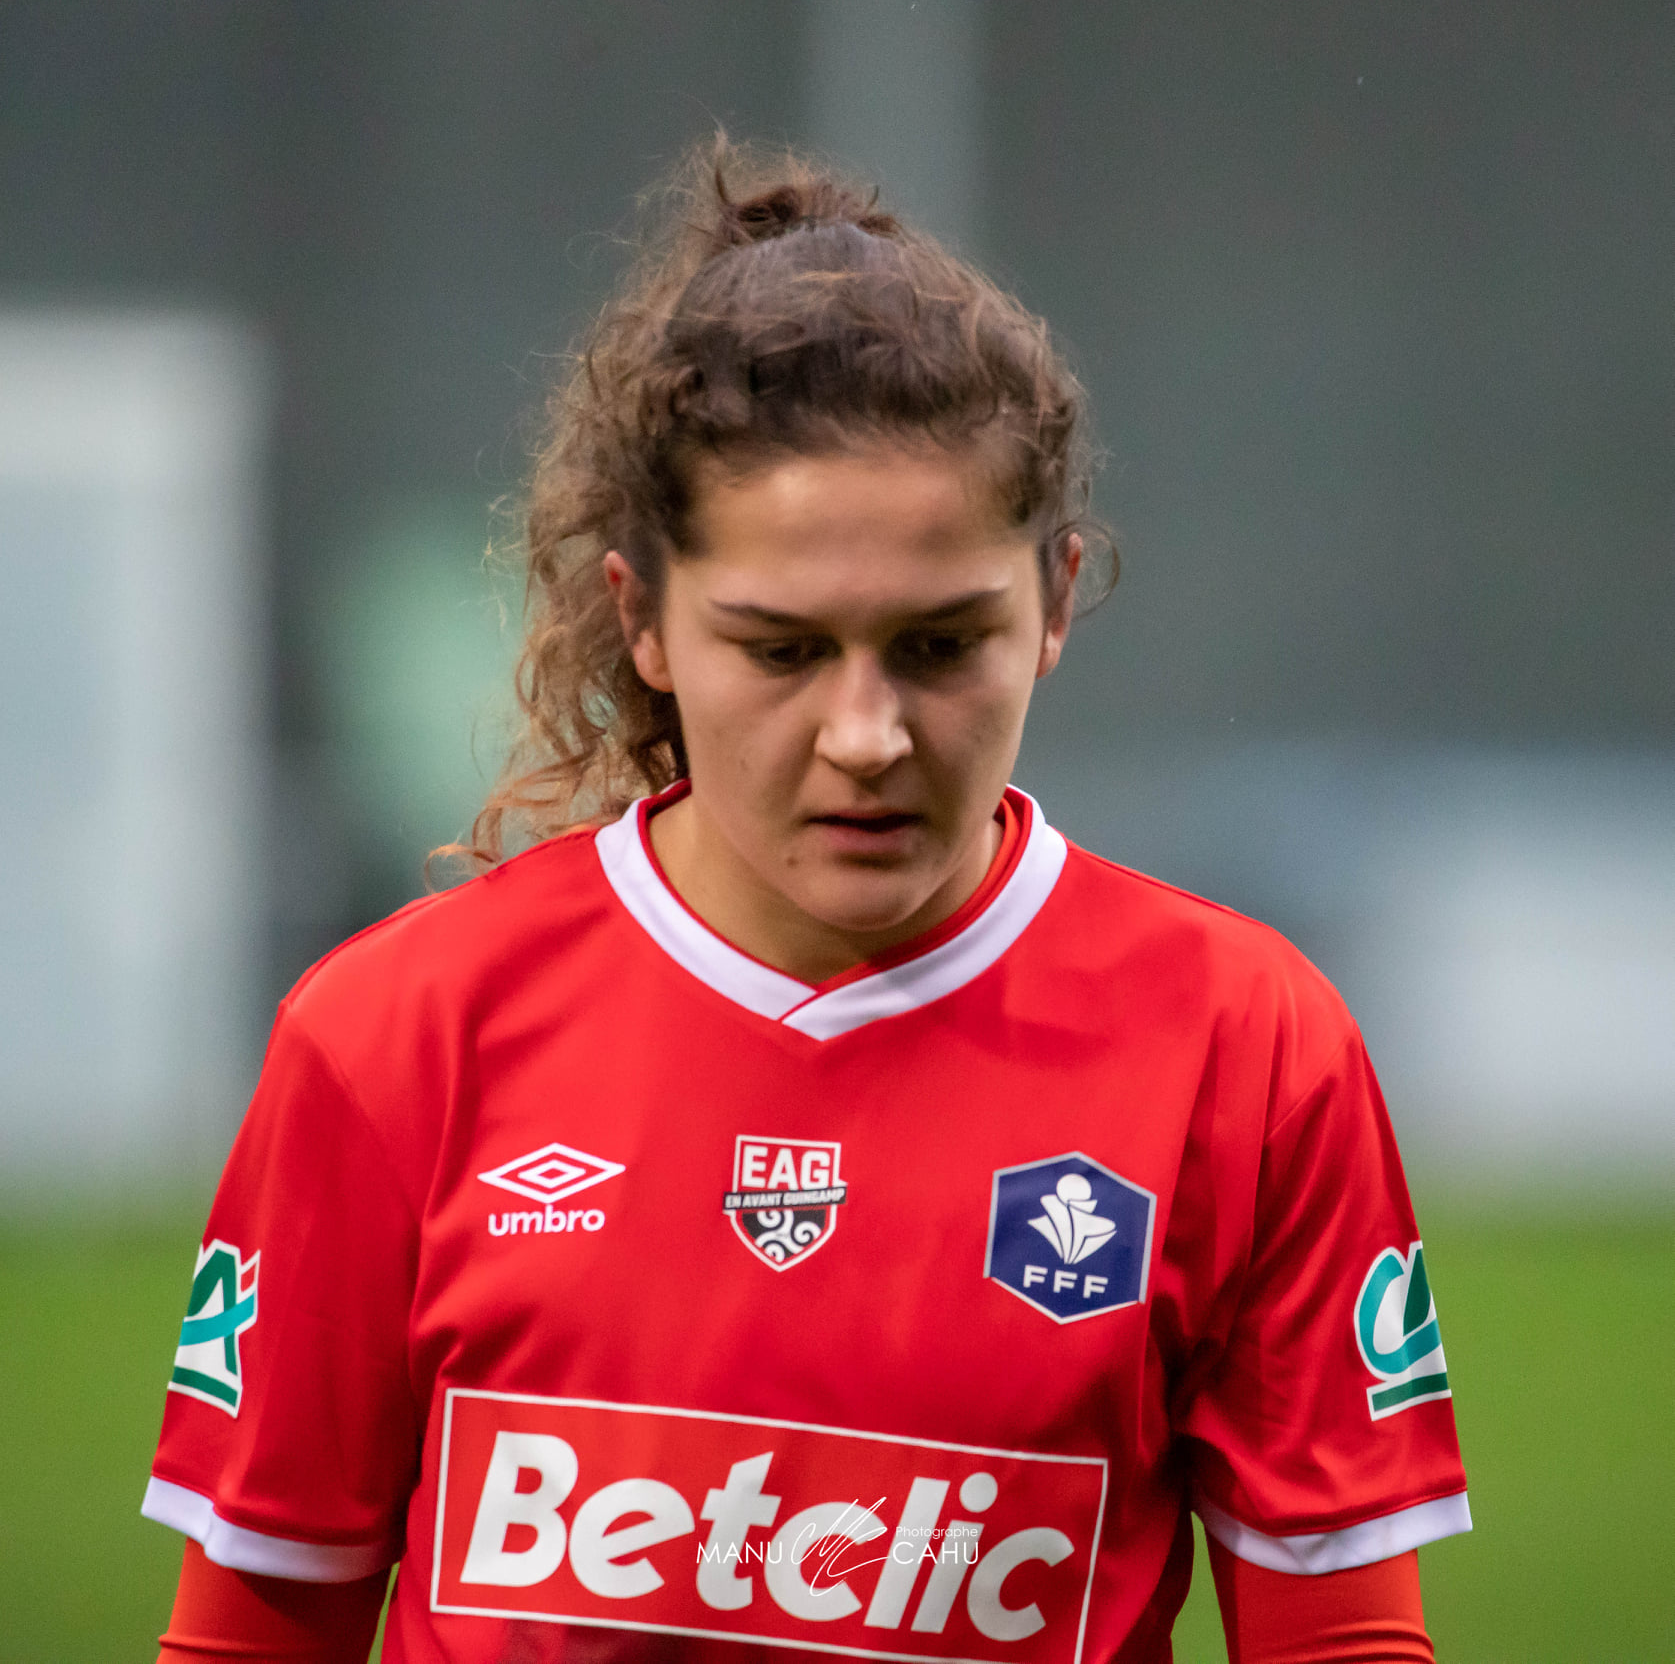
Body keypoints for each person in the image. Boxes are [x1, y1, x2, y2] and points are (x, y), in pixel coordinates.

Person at [144, 141, 1468, 1664]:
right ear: (644, 621)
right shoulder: (396, 1036)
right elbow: (255, 1636)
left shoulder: (1243, 1047)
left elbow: (1342, 1643)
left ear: (1054, 604)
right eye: (779, 650)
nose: (865, 735)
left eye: (941, 645)